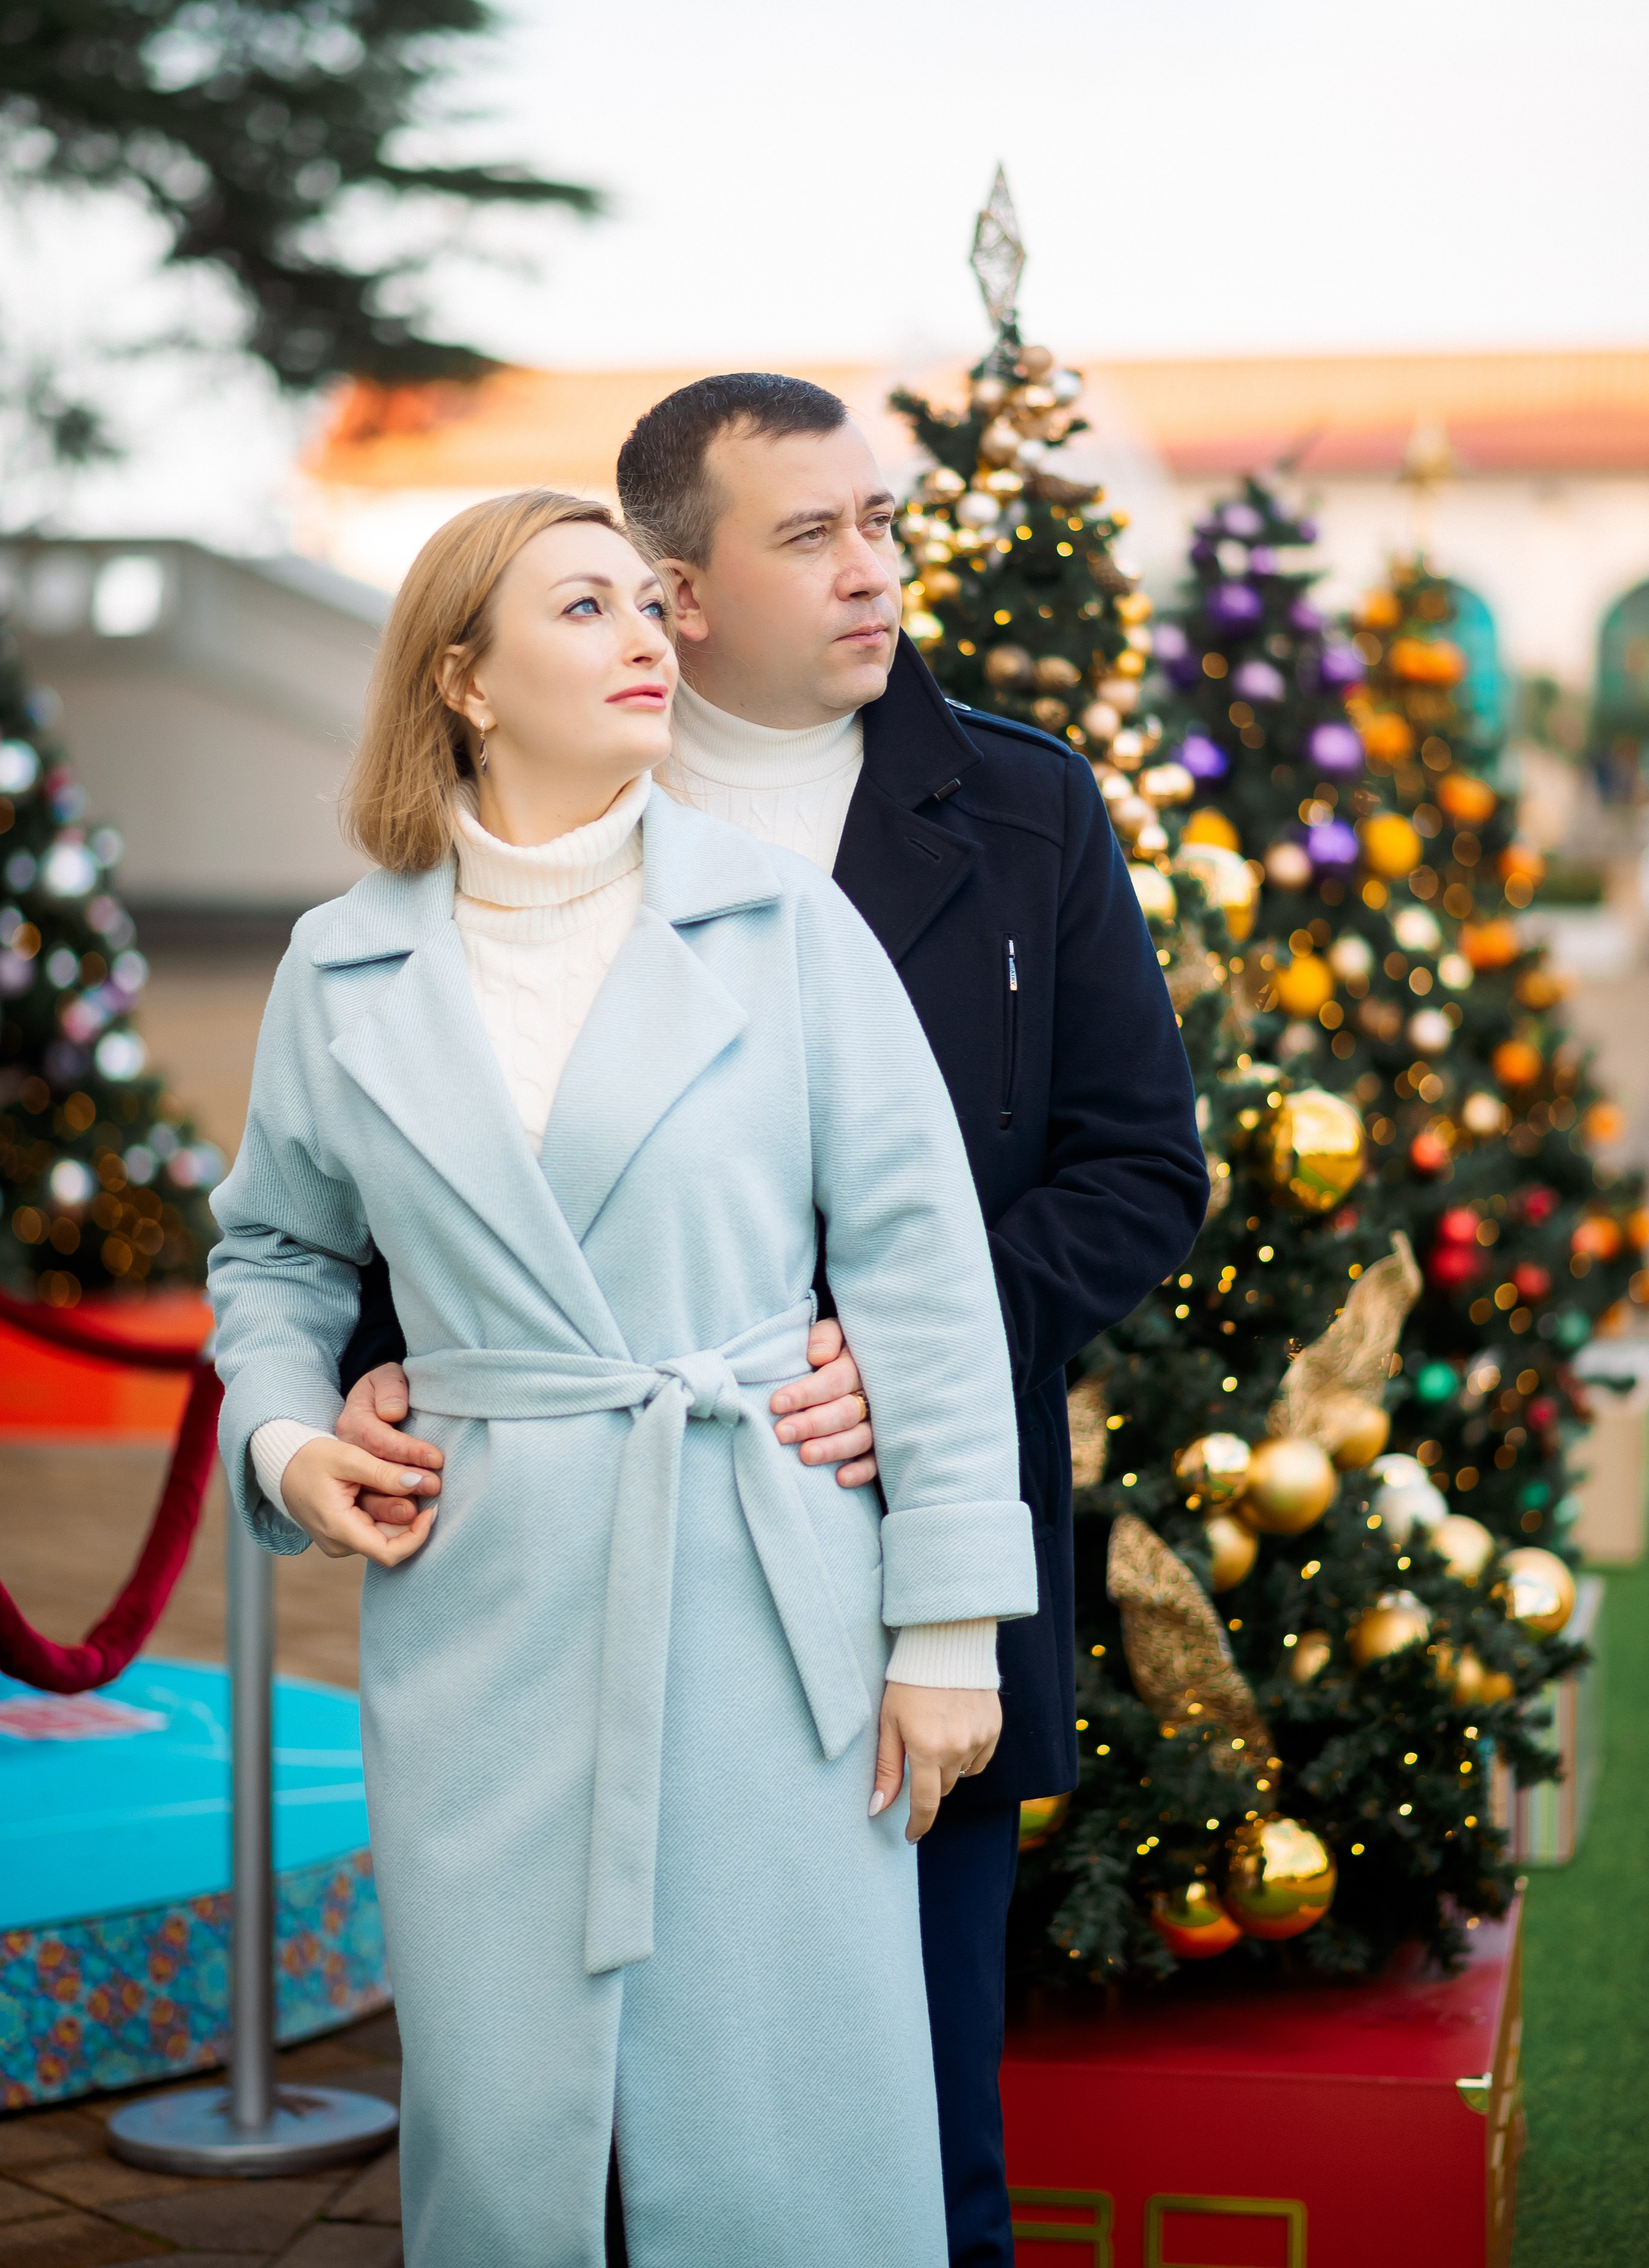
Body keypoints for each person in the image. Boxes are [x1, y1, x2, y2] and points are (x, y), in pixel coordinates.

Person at [341, 378, 1209, 2267]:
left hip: (910, 1544)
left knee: (909, 2120)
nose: (872, 569)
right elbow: (422, 1168)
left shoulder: (1026, 805)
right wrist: (367, 1377)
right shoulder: (544, 819)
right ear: (677, 587)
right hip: (569, 1565)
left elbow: (1143, 1167)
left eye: (878, 523)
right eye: (810, 535)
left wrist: (898, 1357)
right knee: (576, 2131)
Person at [207, 490, 1038, 2268]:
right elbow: (275, 1253)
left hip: (766, 1597)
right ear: (465, 681)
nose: (647, 637)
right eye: (584, 608)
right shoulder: (340, 967)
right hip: (484, 1612)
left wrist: (951, 1625)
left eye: (647, 605)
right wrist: (283, 1437)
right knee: (508, 2134)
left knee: (790, 2132)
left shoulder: (787, 924)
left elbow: (921, 1271)